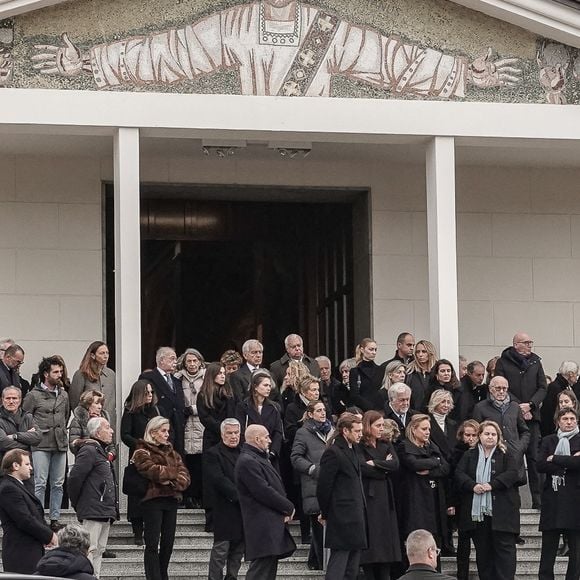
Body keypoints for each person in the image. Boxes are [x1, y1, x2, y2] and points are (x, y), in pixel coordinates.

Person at [455, 419, 520, 580]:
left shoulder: (506, 454)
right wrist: (472, 485)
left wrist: (492, 485)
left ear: (498, 437)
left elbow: (513, 473)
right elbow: (458, 474)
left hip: (502, 515)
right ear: (480, 436)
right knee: (483, 555)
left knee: (505, 556)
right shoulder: (469, 455)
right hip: (479, 517)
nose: (490, 437)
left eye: (493, 434)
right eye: (487, 434)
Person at [235, 424, 296, 580]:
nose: (270, 441)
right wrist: (288, 506)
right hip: (261, 524)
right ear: (257, 439)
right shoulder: (247, 460)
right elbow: (263, 490)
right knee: (260, 571)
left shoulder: (258, 458)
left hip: (268, 523)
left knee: (267, 570)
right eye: (267, 437)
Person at [133, 416, 190, 580]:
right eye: (163, 431)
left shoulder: (173, 452)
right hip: (153, 500)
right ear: (153, 432)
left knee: (168, 543)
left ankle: (162, 573)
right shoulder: (142, 450)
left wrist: (170, 478)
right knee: (152, 543)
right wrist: (172, 474)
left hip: (171, 499)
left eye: (168, 431)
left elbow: (185, 476)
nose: (167, 434)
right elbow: (152, 471)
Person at [494, 331, 547, 508]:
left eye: (531, 342)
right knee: (511, 458)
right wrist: (519, 406)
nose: (530, 345)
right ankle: (511, 501)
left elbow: (542, 387)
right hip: (510, 417)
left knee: (533, 459)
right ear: (516, 344)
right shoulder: (503, 362)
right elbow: (500, 386)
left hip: (532, 416)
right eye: (526, 342)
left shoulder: (536, 362)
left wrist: (531, 405)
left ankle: (538, 501)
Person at [317, 412, 368, 580]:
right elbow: (324, 487)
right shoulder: (333, 452)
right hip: (342, 515)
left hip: (355, 514)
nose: (361, 434)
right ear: (345, 431)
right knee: (340, 562)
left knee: (352, 565)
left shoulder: (353, 449)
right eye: (357, 431)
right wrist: (325, 512)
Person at [23, 355, 70, 531]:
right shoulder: (33, 395)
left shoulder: (64, 394)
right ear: (45, 374)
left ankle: (55, 518)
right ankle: (38, 516)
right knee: (40, 482)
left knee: (58, 483)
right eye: (56, 372)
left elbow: (65, 416)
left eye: (61, 371)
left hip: (59, 443)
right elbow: (25, 417)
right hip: (40, 443)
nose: (59, 374)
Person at [68, 417, 117, 578]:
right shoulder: (89, 450)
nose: (111, 431)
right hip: (93, 509)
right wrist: (78, 504)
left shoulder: (101, 451)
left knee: (99, 549)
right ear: (97, 432)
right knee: (89, 549)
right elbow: (75, 478)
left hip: (104, 510)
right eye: (108, 428)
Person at [291, 399, 334, 571]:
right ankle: (322, 564)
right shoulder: (303, 433)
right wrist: (312, 469)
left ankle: (314, 561)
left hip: (330, 484)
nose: (323, 413)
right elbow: (295, 457)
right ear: (310, 414)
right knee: (317, 526)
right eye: (318, 410)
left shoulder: (332, 430)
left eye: (324, 409)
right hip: (313, 484)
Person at [537, 408, 580, 580]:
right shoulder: (549, 440)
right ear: (558, 422)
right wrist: (571, 460)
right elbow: (540, 465)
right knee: (548, 551)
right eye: (565, 419)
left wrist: (555, 458)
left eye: (572, 418)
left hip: (575, 501)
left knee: (576, 553)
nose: (569, 422)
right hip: (553, 501)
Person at [358, 410, 401, 580]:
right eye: (378, 426)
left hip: (385, 495)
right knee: (372, 537)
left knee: (385, 539)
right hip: (369, 495)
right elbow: (362, 467)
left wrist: (376, 463)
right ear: (368, 426)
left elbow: (395, 464)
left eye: (383, 425)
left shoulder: (385, 443)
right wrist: (384, 467)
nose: (382, 429)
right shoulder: (360, 445)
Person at [0, 448, 57, 573]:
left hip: (29, 550)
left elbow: (34, 514)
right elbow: (24, 519)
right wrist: (49, 535)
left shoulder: (19, 485)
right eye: (27, 464)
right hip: (20, 553)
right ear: (15, 465)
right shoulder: (8, 488)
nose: (31, 468)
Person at [398, 414, 450, 550]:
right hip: (416, 498)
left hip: (434, 498)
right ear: (414, 430)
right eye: (424, 429)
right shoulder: (404, 446)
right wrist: (435, 462)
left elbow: (445, 468)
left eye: (429, 429)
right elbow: (414, 464)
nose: (427, 432)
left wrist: (431, 471)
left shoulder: (431, 446)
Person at [120, 380, 160, 545]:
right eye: (147, 393)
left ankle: (152, 529)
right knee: (137, 493)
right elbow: (125, 434)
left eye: (151, 392)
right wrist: (141, 444)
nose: (150, 396)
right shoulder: (130, 411)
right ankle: (137, 531)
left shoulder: (155, 410)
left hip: (156, 456)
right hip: (139, 456)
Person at [204, 418, 244, 580]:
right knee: (221, 550)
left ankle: (232, 577)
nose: (233, 436)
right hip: (224, 508)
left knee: (238, 550)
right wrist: (240, 496)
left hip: (243, 511)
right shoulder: (212, 453)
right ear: (222, 434)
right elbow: (218, 479)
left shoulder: (245, 452)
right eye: (229, 433)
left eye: (236, 433)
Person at [473, 376, 530, 488]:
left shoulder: (514, 407)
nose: (502, 391)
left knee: (513, 496)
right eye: (498, 388)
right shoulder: (480, 408)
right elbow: (476, 433)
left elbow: (524, 431)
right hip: (492, 457)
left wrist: (520, 446)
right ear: (490, 389)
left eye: (504, 388)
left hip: (513, 456)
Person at [174, 348, 206, 509]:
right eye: (189, 361)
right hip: (185, 424)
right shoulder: (178, 379)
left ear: (200, 361)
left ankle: (200, 495)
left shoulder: (207, 377)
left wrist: (194, 409)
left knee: (201, 462)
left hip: (202, 422)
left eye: (195, 361)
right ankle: (189, 496)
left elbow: (209, 400)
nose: (192, 364)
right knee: (187, 462)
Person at [139, 347, 186, 455]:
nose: (175, 362)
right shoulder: (148, 378)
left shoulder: (176, 381)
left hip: (177, 430)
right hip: (159, 429)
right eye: (172, 359)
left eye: (176, 359)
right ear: (161, 360)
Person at [450, 420, 480, 580]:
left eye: (474, 435)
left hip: (480, 499)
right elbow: (453, 479)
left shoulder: (484, 452)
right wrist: (452, 502)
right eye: (467, 435)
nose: (470, 438)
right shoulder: (456, 453)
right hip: (462, 500)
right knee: (463, 539)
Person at [236, 370, 283, 460]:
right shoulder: (243, 406)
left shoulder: (274, 407)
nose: (268, 388)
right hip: (250, 455)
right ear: (255, 387)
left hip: (270, 455)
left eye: (269, 386)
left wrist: (273, 452)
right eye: (265, 385)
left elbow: (278, 432)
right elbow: (241, 431)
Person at [69, 341, 116, 428]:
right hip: (87, 423)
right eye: (102, 353)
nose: (106, 356)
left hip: (107, 424)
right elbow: (74, 401)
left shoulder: (111, 374)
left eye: (107, 353)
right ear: (92, 355)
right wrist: (83, 419)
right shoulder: (81, 374)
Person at [198, 362, 238, 452]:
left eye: (224, 373)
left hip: (229, 436)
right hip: (212, 437)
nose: (223, 376)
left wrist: (228, 428)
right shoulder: (203, 395)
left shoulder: (230, 393)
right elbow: (204, 417)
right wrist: (221, 427)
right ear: (212, 375)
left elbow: (234, 412)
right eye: (220, 373)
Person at [0, 385, 41, 472]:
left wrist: (15, 436)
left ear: (20, 400)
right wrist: (27, 444)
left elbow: (37, 437)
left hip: (26, 469)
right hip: (4, 469)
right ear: (2, 400)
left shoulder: (28, 417)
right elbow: (3, 443)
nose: (11, 401)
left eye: (14, 398)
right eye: (8, 398)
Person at [540, 361, 580, 437]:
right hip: (553, 431)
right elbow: (549, 412)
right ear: (571, 374)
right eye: (576, 374)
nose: (577, 378)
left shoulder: (563, 386)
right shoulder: (555, 388)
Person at [349, 338, 386, 412]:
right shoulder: (355, 371)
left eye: (375, 350)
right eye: (371, 349)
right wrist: (369, 406)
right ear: (362, 350)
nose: (374, 352)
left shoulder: (381, 370)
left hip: (379, 409)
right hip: (362, 410)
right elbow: (354, 395)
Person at [405, 339, 437, 412]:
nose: (420, 355)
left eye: (424, 351)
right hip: (414, 413)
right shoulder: (410, 371)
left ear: (430, 352)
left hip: (434, 413)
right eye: (417, 352)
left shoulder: (438, 370)